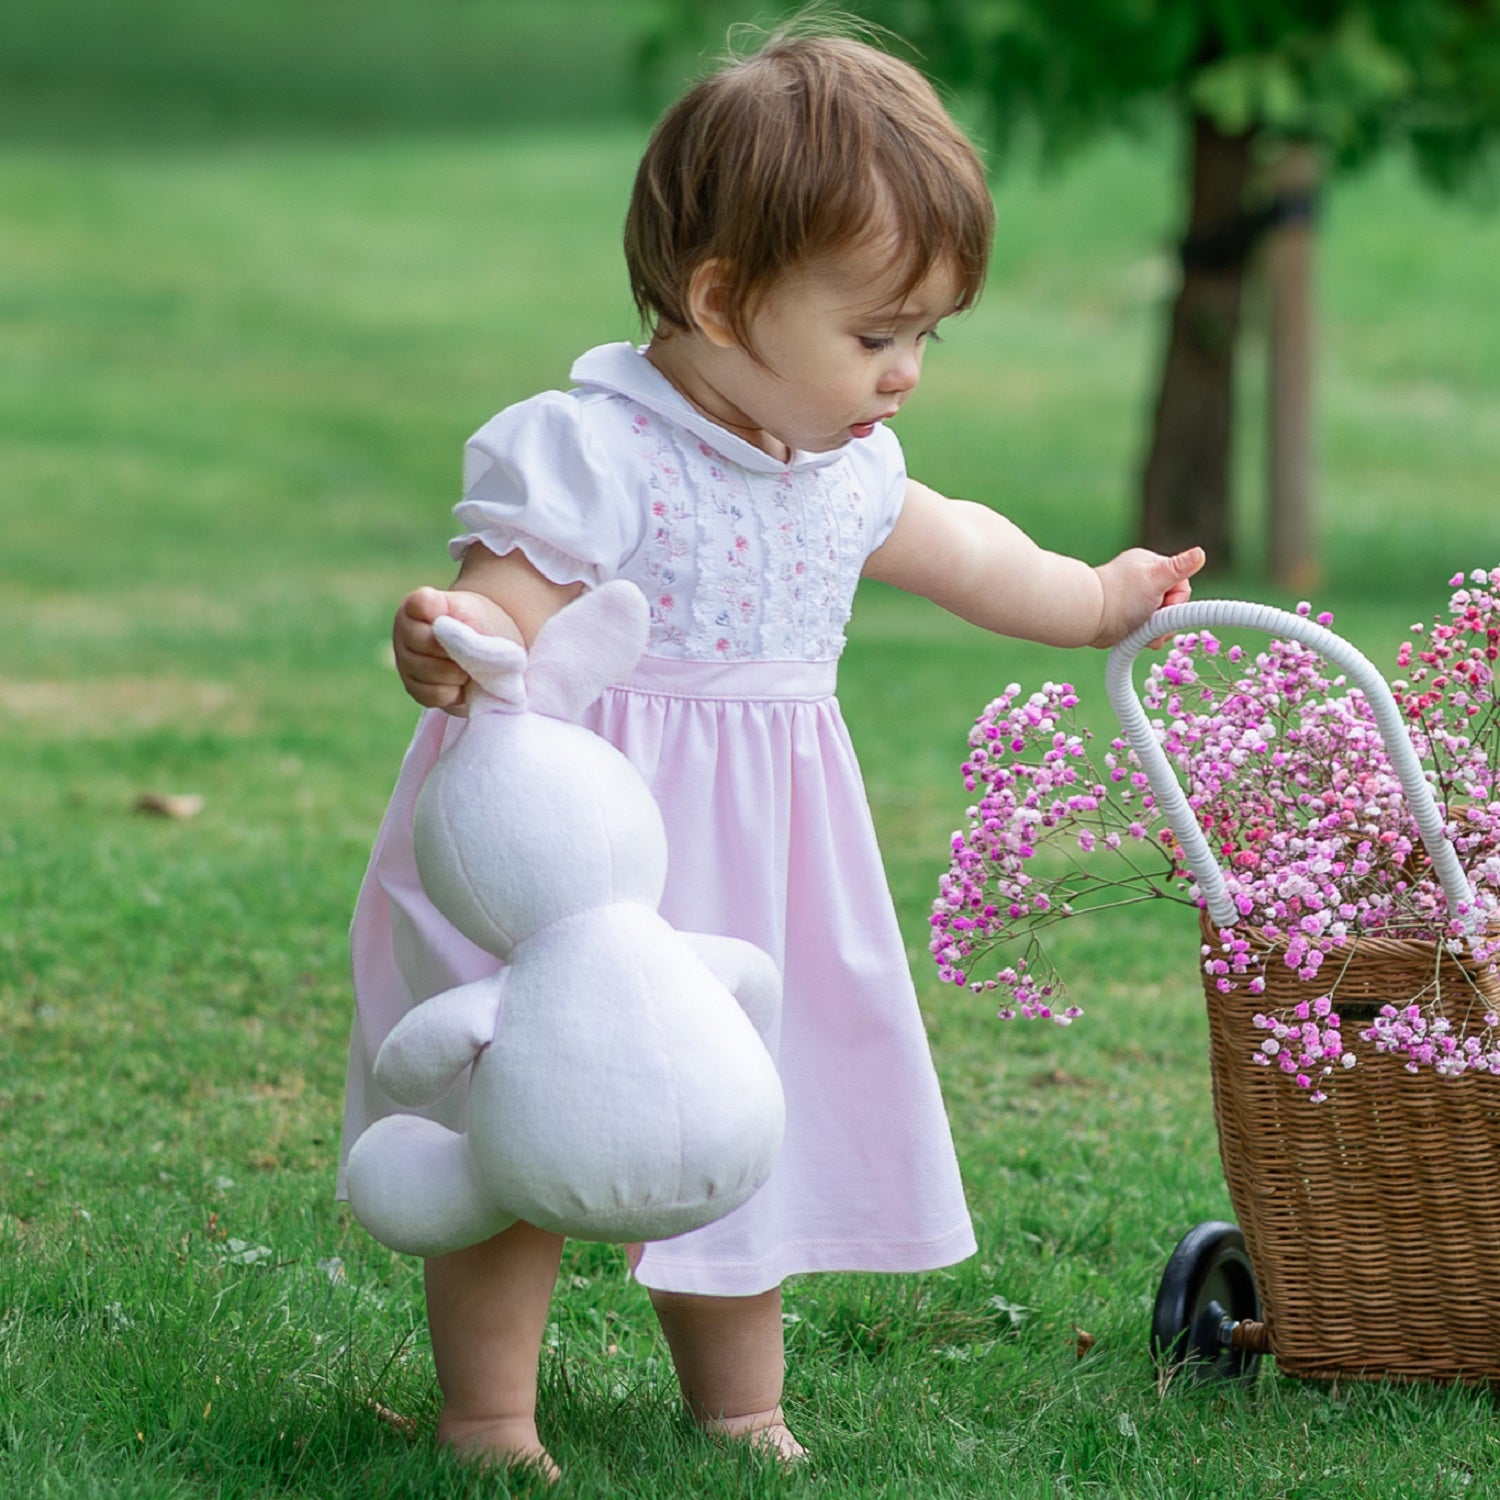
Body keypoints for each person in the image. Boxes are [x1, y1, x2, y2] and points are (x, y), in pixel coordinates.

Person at [341, 23, 1203, 1480]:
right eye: (876, 334)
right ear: (724, 299)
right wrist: (448, 639)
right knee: (523, 1101)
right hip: (575, 862)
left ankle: (739, 1404)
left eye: (928, 336)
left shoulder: (847, 469)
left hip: (756, 864)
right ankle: (489, 1414)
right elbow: (499, 611)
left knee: (741, 1105)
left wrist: (1095, 597)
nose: (908, 373)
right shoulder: (594, 450)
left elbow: (972, 550)